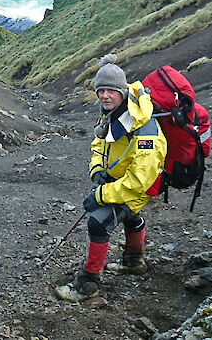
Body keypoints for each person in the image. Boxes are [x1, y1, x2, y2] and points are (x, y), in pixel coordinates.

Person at [56, 54, 167, 302]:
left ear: (122, 90)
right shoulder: (112, 113)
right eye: (101, 90)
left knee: (98, 222)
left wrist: (101, 194)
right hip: (116, 181)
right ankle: (134, 262)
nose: (105, 95)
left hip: (135, 188)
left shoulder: (144, 126)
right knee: (131, 218)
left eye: (111, 90)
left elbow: (140, 180)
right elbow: (99, 144)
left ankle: (88, 284)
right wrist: (97, 171)